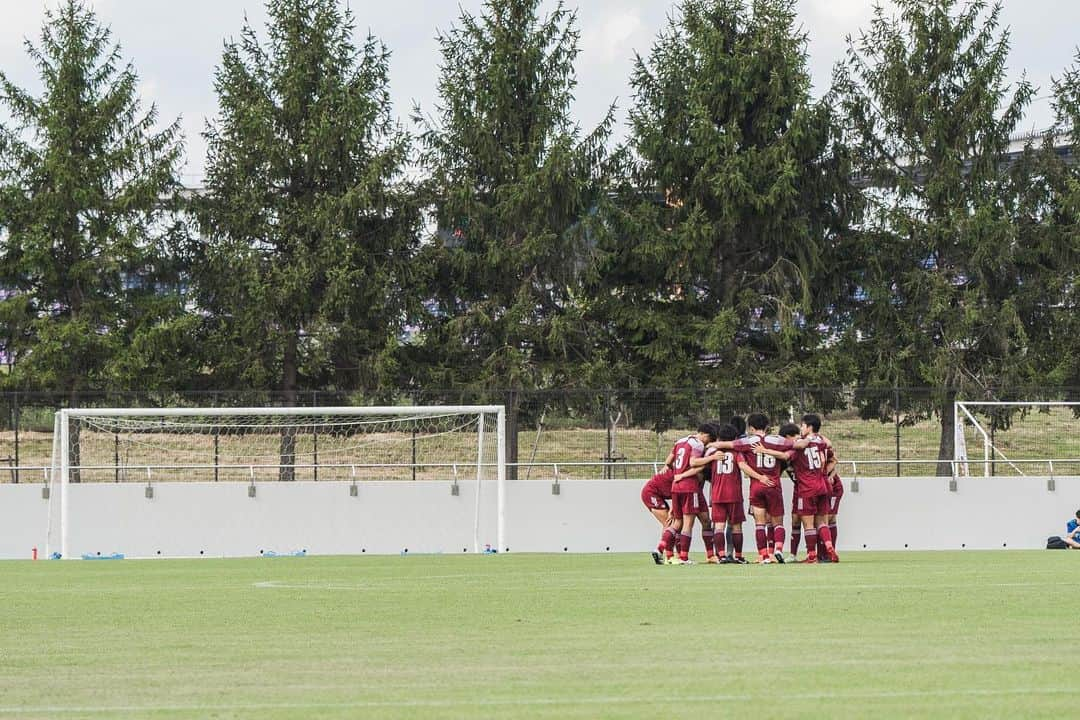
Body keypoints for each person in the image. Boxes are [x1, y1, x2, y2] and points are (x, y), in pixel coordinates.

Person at [780, 415, 839, 563]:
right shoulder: (821, 443)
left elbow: (784, 455)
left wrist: (766, 450)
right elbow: (830, 448)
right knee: (821, 522)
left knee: (808, 523)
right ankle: (829, 547)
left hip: (807, 488)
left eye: (803, 426)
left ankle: (812, 555)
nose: (801, 429)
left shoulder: (799, 446)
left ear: (809, 427)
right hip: (821, 485)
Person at [666, 424, 718, 564]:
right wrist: (711, 459)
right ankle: (683, 557)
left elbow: (668, 462)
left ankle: (662, 550)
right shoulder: (698, 444)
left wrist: (678, 472)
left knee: (705, 520)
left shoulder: (680, 441)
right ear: (705, 435)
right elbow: (694, 462)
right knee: (687, 523)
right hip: (689, 487)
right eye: (709, 440)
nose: (708, 444)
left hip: (678, 486)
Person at [705, 424, 750, 564]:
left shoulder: (712, 452)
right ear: (735, 438)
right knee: (736, 526)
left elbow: (704, 466)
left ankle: (722, 555)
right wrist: (758, 476)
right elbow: (743, 467)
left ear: (719, 437)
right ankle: (738, 556)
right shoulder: (737, 453)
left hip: (717, 493)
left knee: (719, 525)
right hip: (734, 494)